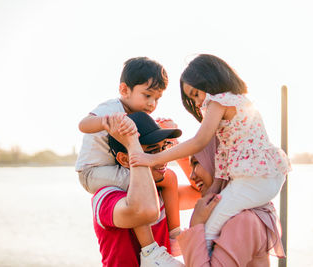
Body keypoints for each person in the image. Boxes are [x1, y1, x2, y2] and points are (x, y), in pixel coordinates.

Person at [130, 54, 291, 253]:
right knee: (213, 219)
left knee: (208, 230)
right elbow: (223, 160)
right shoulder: (238, 103)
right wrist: (215, 190)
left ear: (210, 80)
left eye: (196, 94)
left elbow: (199, 142)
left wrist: (153, 158)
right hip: (266, 177)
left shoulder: (219, 101)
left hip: (254, 179)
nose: (197, 103)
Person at [75, 57, 183, 261]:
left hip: (113, 168)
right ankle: (151, 250)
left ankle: (173, 233)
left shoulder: (137, 114)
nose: (152, 104)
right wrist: (107, 122)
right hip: (93, 172)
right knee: (143, 187)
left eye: (157, 99)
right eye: (147, 95)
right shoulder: (112, 109)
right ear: (124, 90)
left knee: (168, 178)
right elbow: (83, 124)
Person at [92, 112, 186, 266]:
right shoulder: (106, 197)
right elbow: (143, 211)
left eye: (164, 147)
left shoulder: (162, 191)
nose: (163, 158)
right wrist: (132, 144)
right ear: (124, 159)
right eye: (153, 150)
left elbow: (198, 191)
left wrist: (177, 146)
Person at [177, 137, 286, 266]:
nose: (192, 176)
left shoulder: (244, 220)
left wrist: (196, 225)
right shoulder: (238, 211)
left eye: (196, 163)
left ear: (219, 163)